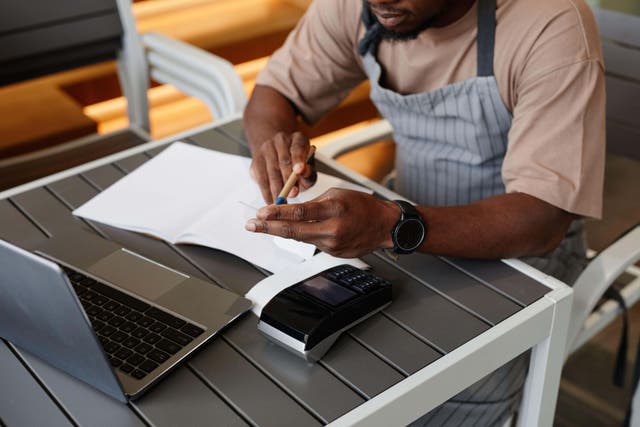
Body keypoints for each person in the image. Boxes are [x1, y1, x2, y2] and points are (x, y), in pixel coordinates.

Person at [243, 0, 605, 424]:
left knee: (437, 387)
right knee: (324, 367)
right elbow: (273, 95)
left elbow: (541, 220)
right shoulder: (362, 7)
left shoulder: (549, 23)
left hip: (520, 253)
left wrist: (391, 224)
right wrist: (276, 146)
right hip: (398, 229)